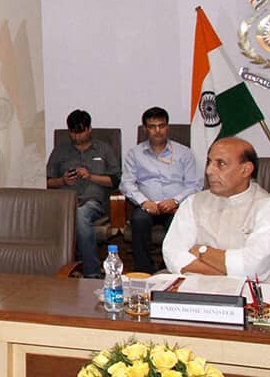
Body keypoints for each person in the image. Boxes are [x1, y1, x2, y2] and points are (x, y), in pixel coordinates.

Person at [163, 138, 270, 283]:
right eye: (209, 162)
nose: (209, 171)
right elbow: (173, 254)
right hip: (200, 294)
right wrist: (228, 275)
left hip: (259, 299)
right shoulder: (193, 202)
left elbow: (252, 267)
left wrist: (202, 251)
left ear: (245, 170)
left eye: (221, 164)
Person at [119, 107, 202, 273]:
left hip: (175, 206)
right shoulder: (134, 154)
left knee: (180, 222)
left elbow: (195, 184)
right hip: (147, 205)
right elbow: (126, 184)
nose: (158, 131)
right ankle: (144, 271)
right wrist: (144, 202)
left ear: (167, 127)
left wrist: (175, 200)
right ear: (145, 129)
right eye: (152, 126)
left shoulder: (184, 153)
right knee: (139, 220)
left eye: (161, 126)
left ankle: (170, 269)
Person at [46, 110, 120, 278]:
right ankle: (52, 271)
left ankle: (91, 273)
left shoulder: (104, 149)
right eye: (73, 132)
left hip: (92, 202)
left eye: (81, 132)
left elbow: (115, 181)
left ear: (89, 129)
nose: (77, 137)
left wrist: (90, 176)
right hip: (63, 203)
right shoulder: (60, 150)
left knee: (80, 216)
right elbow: (46, 181)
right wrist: (63, 181)